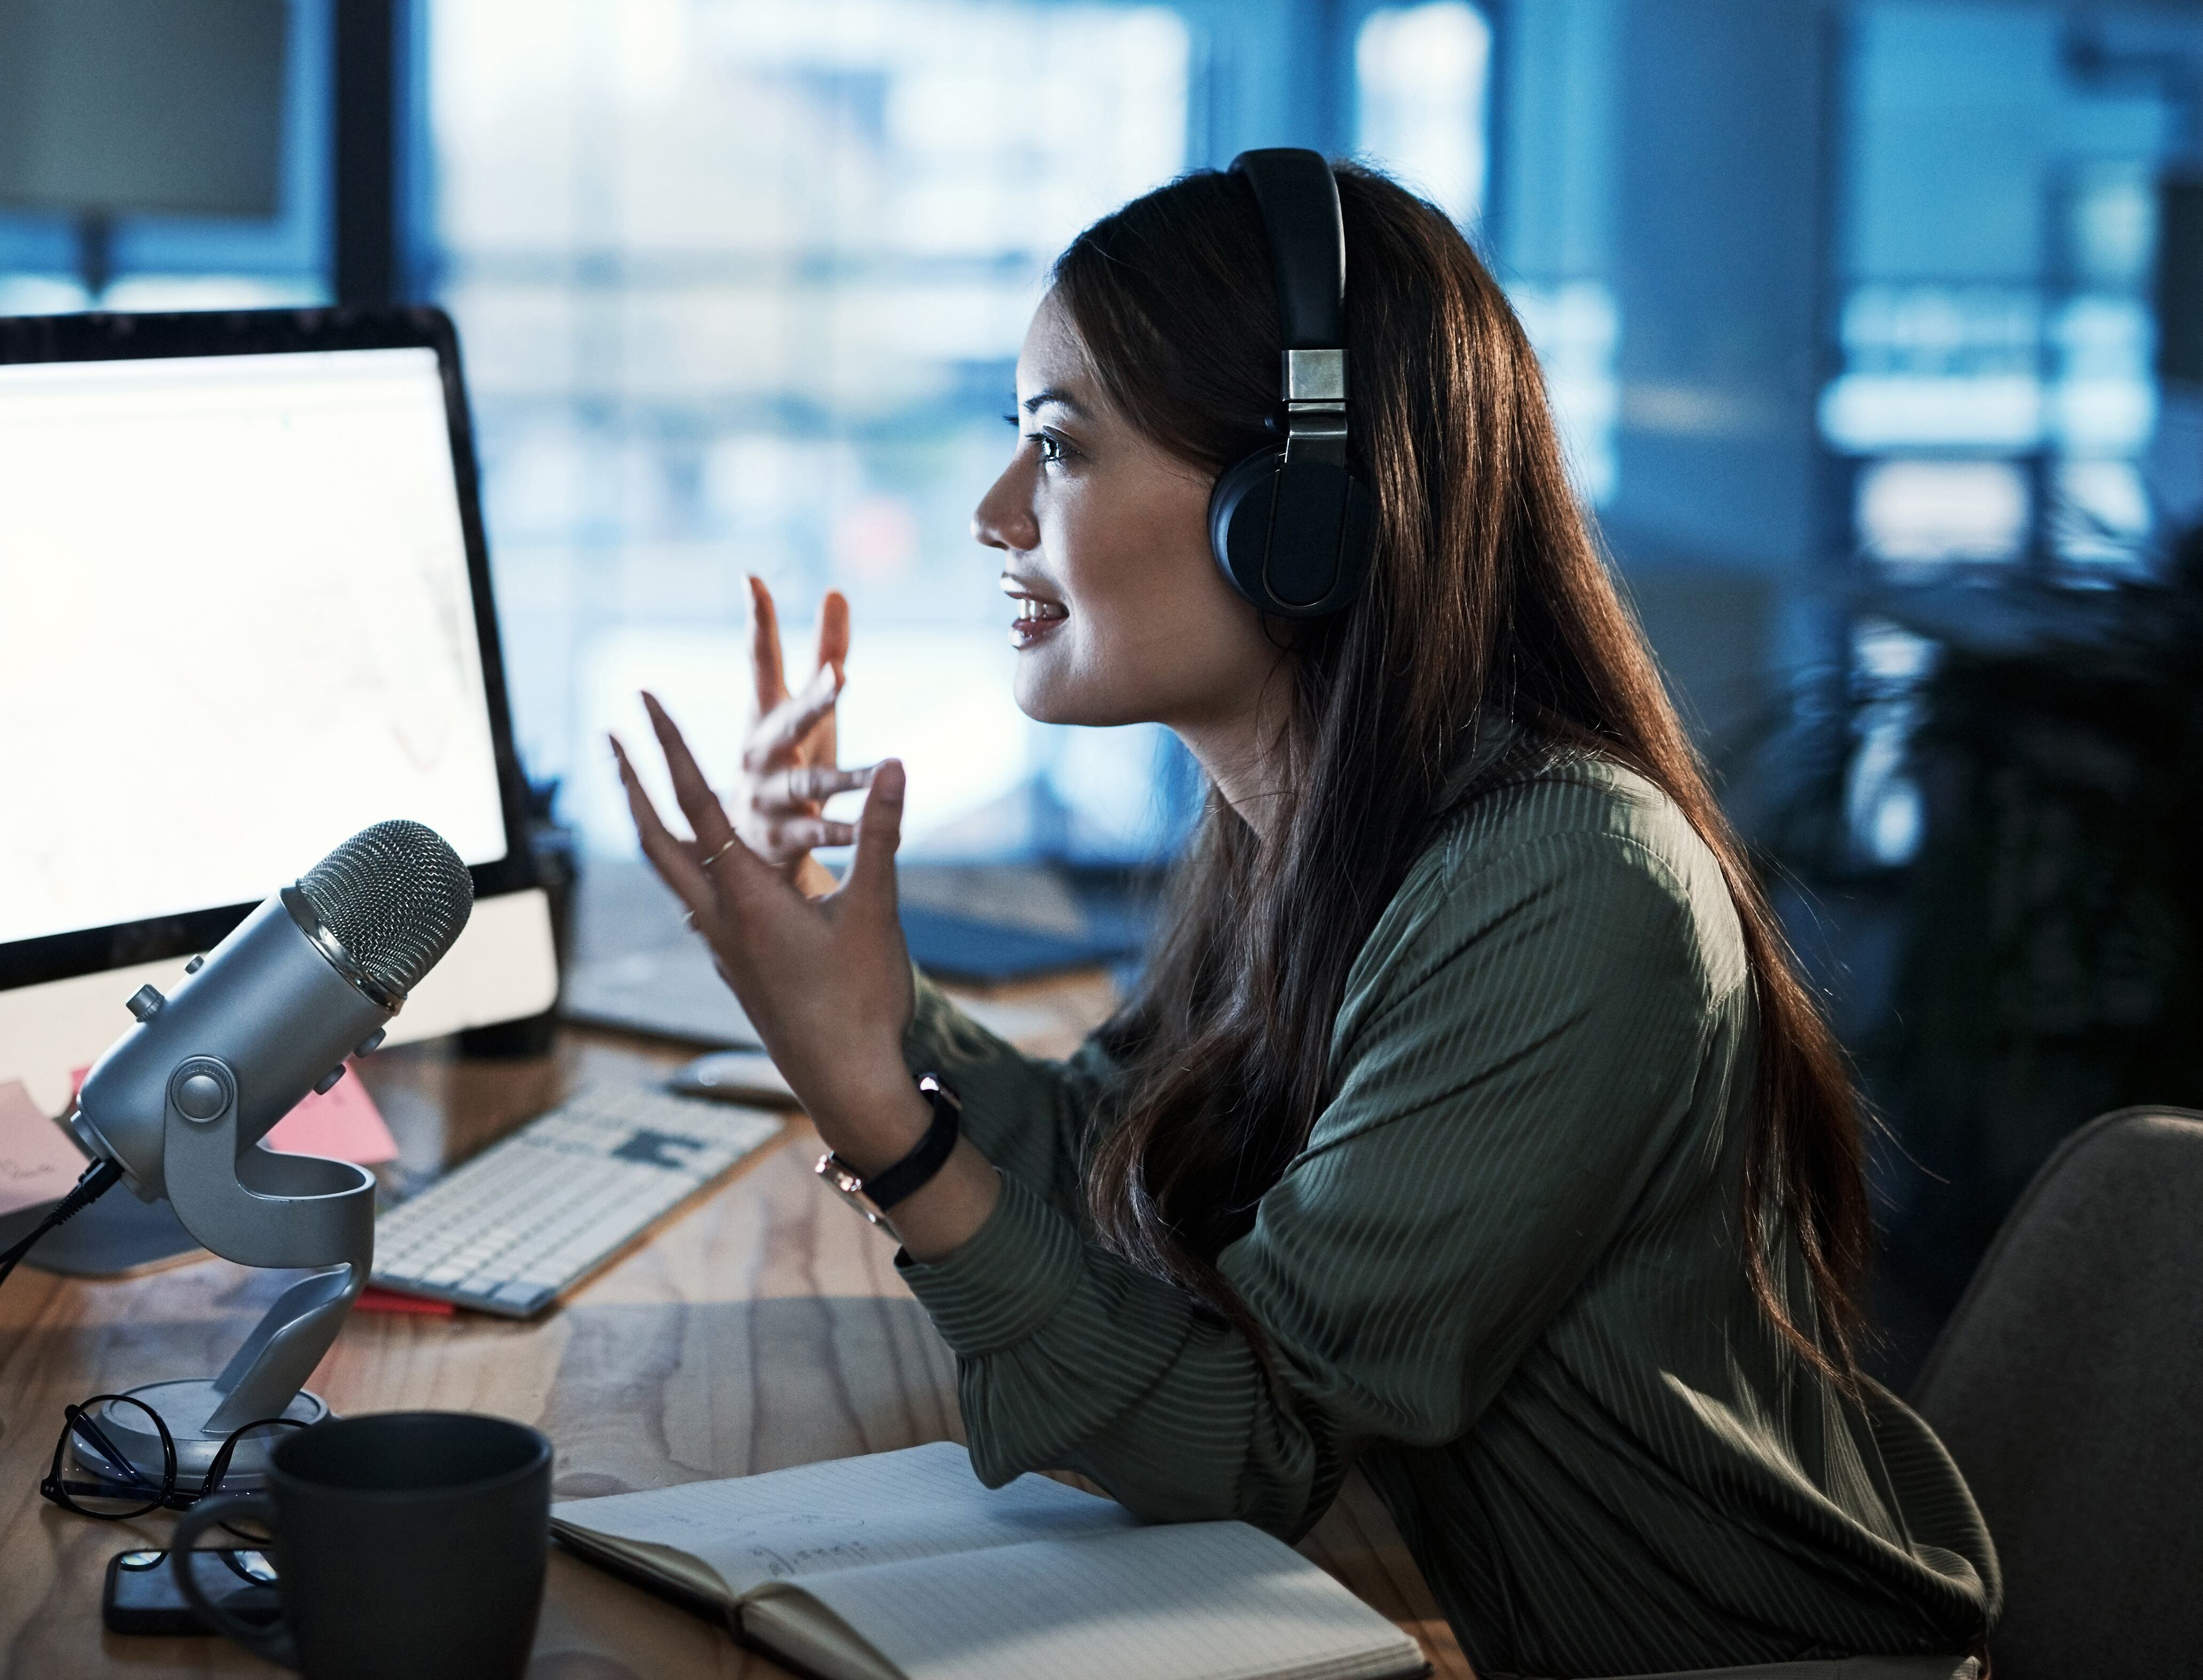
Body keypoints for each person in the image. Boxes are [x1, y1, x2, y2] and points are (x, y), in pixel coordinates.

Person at [610, 158, 1998, 1679]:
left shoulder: (1570, 882)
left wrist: (896, 1127)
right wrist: (844, 984)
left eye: (1057, 448)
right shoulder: (1304, 833)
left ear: (1300, 512)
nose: (994, 511)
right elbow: (1103, 1161)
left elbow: (1250, 1439)